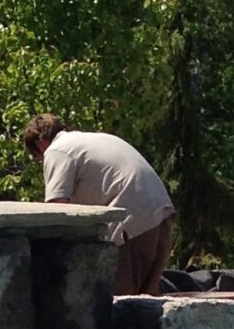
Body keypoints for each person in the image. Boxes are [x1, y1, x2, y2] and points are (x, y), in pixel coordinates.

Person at [21, 115, 174, 296]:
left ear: (39, 144)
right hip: (160, 214)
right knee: (149, 303)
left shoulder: (57, 151)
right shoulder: (98, 139)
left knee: (119, 302)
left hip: (131, 220)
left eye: (37, 157)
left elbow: (57, 210)